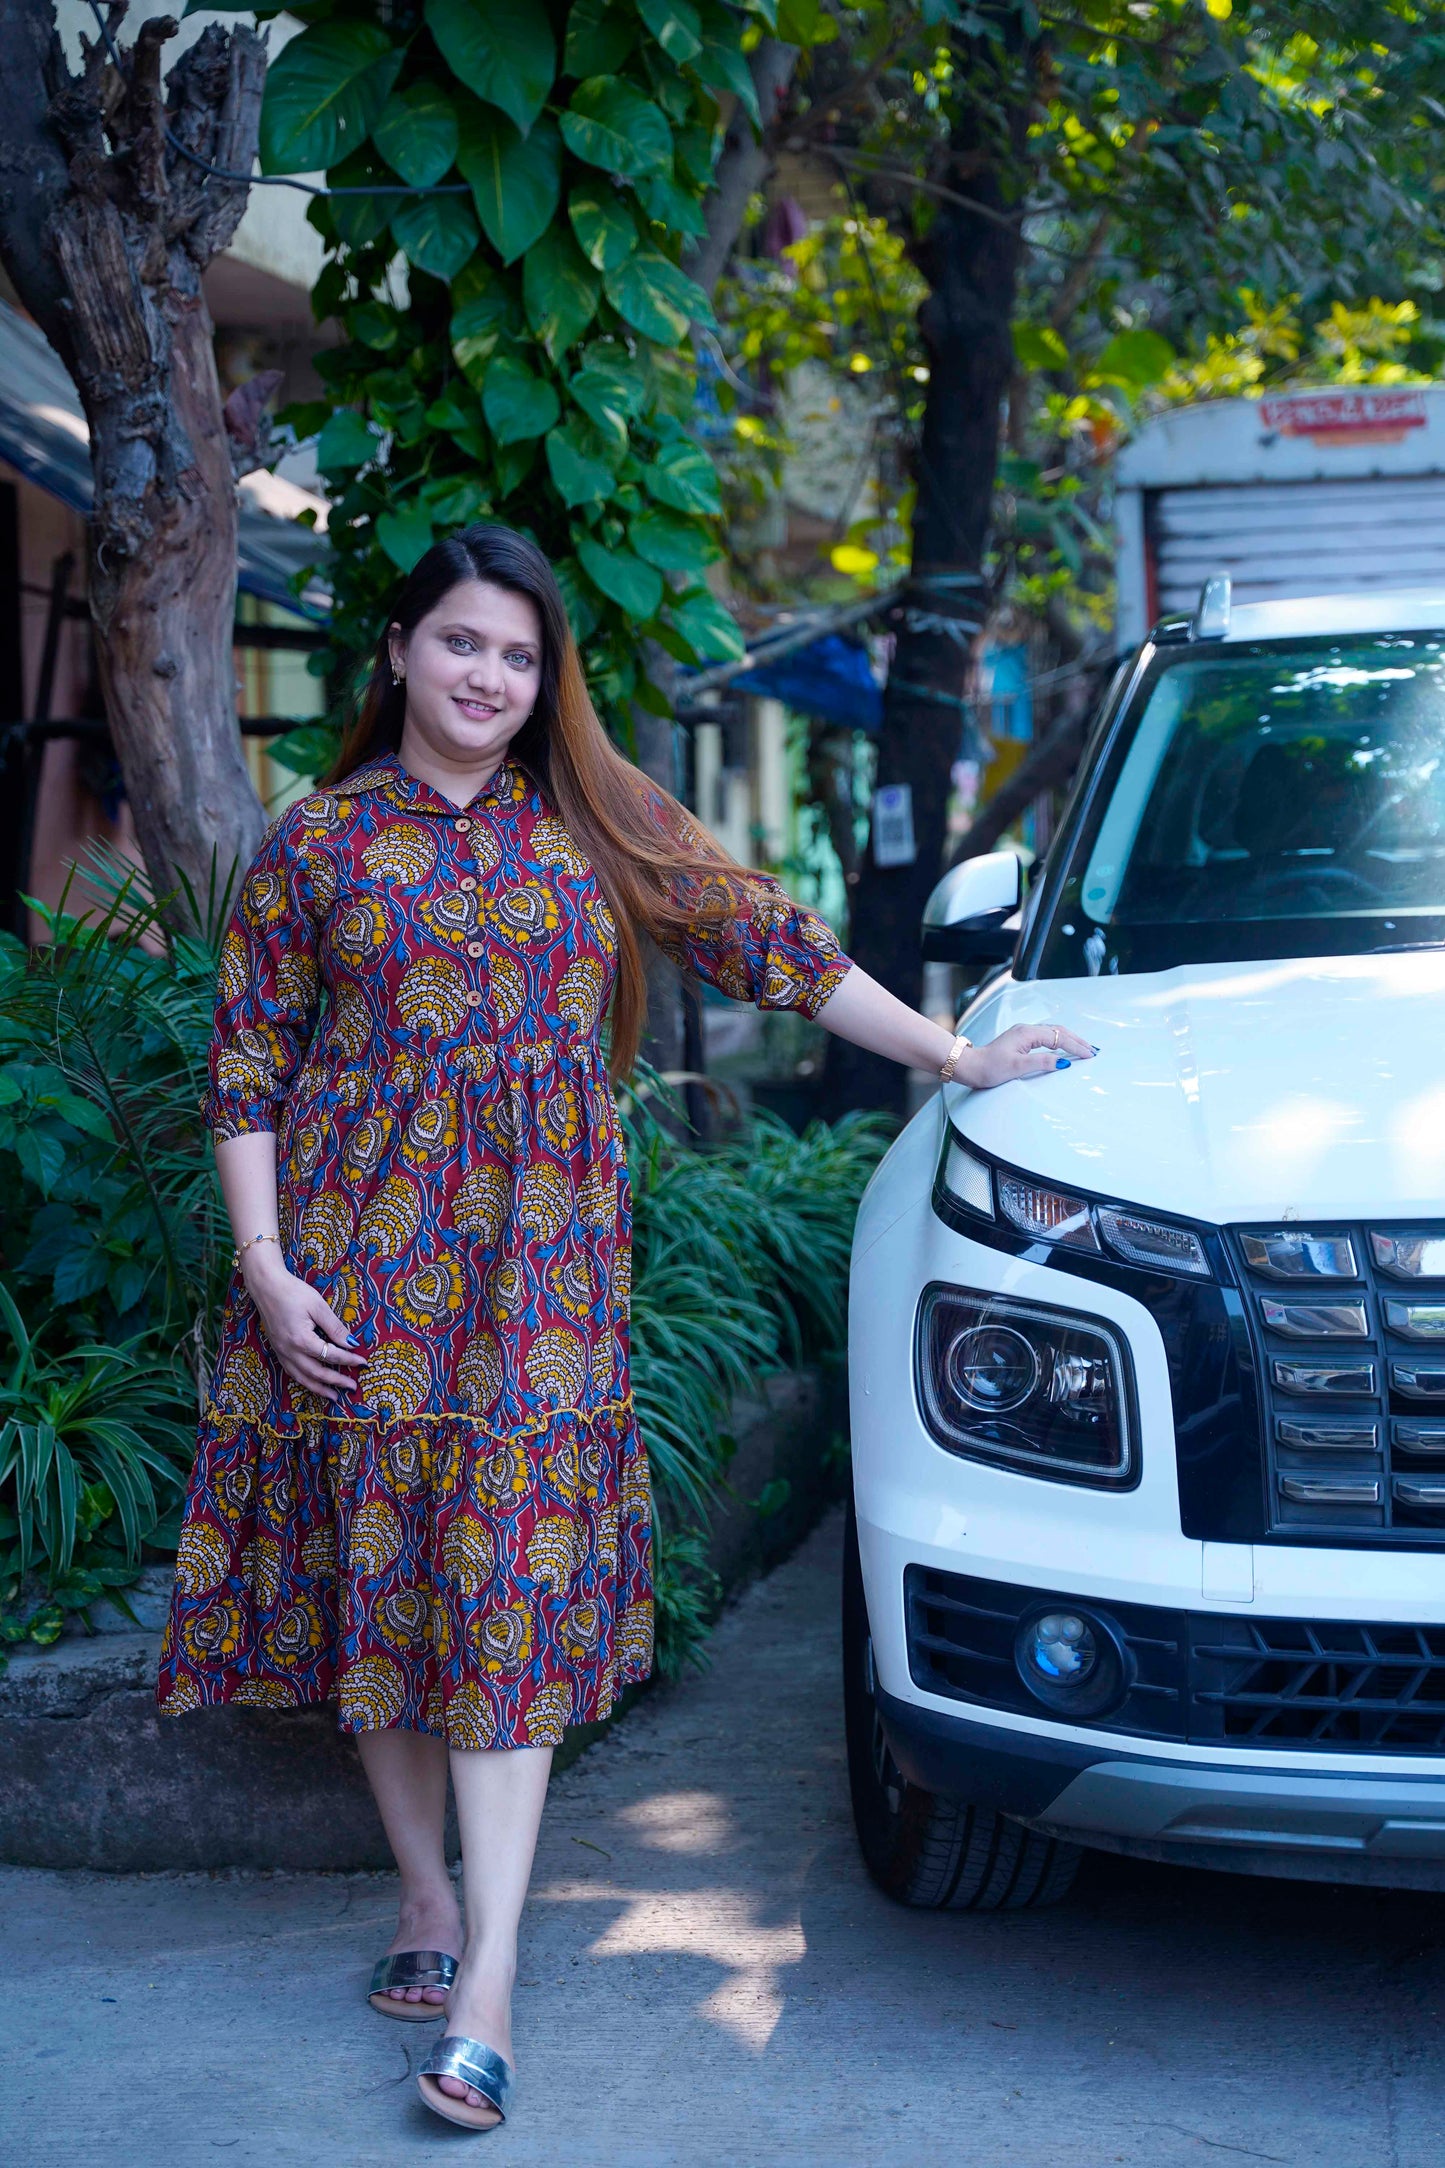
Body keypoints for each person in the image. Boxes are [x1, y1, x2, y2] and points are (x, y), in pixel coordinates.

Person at [156, 522, 1094, 2131]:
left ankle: (494, 1981)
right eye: (460, 644)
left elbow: (774, 943)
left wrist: (954, 1058)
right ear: (395, 653)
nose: (489, 678)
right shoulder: (319, 841)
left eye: (519, 657)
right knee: (379, 1581)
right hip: (348, 1273)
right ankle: (426, 1902)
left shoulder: (595, 816)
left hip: (538, 1285)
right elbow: (246, 1063)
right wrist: (262, 1265)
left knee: (501, 1599)